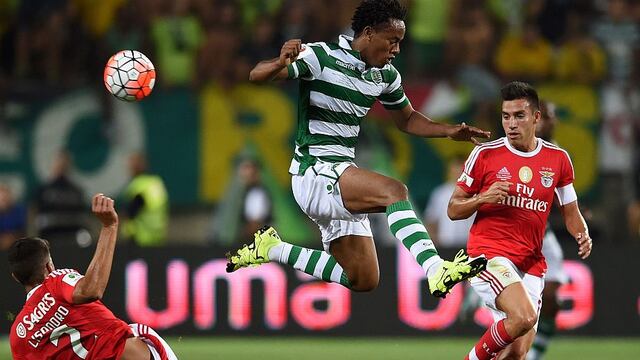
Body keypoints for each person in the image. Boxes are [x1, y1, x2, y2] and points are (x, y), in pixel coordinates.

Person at [226, 0, 490, 298]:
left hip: (342, 177)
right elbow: (256, 76)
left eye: (400, 43)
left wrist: (449, 130)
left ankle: (274, 248)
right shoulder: (321, 56)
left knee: (363, 278)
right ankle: (435, 269)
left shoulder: (385, 75)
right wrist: (279, 61)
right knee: (395, 191)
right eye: (392, 41)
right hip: (314, 171)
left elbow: (407, 120)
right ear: (368, 33)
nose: (397, 50)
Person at [448, 81, 593, 360]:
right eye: (506, 116)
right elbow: (453, 209)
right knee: (524, 316)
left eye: (519, 116)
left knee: (516, 354)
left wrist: (581, 233)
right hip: (489, 256)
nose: (511, 123)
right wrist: (483, 198)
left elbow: (570, 209)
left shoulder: (558, 159)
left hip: (531, 265)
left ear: (536, 118)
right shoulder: (485, 155)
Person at [8, 193, 178, 359]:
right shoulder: (56, 281)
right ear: (49, 265)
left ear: (16, 277)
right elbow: (91, 290)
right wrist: (109, 227)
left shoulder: (18, 335)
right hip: (126, 353)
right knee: (137, 332)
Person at [525, 100, 568, 360]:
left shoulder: (558, 154)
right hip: (515, 234)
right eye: (547, 116)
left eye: (553, 116)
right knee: (516, 307)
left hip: (544, 234)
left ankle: (535, 355)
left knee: (552, 299)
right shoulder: (514, 148)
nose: (551, 121)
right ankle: (475, 288)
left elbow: (565, 196)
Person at [32, 151, 90, 246]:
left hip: (72, 238)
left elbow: (83, 218)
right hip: (49, 237)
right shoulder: (44, 190)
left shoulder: (76, 191)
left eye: (64, 164)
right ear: (52, 165)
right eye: (58, 162)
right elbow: (36, 216)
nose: (61, 166)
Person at [424, 155, 475, 248]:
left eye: (461, 168)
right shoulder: (440, 193)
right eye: (455, 168)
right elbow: (431, 221)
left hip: (470, 245)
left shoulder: (476, 192)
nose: (457, 172)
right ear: (449, 170)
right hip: (445, 245)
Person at [122, 152, 168, 247]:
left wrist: (127, 231)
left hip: (139, 237)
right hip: (158, 235)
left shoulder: (138, 186)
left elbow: (132, 211)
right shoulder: (156, 183)